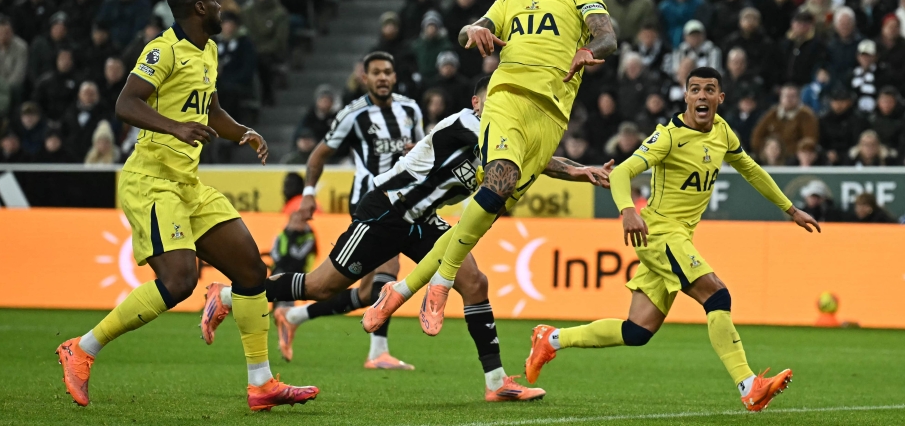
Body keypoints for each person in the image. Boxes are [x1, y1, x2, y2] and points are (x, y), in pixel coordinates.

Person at [204, 78, 608, 399]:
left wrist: (576, 170)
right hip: (385, 210)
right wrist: (558, 160)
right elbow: (513, 153)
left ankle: (497, 381)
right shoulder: (465, 124)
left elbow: (525, 156)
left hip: (422, 219)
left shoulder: (502, 138)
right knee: (319, 285)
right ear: (476, 102)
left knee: (474, 281)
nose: (501, 107)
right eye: (494, 99)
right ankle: (224, 296)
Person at [56, 0, 318, 411]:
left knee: (252, 272)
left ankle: (261, 384)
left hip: (187, 183)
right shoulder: (163, 49)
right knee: (179, 282)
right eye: (215, 1)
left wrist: (242, 133)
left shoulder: (209, 50)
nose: (220, 7)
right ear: (199, 8)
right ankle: (81, 349)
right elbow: (126, 103)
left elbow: (210, 110)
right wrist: (176, 127)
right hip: (151, 181)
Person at [362, 0, 618, 337]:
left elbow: (607, 35)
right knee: (500, 179)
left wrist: (589, 49)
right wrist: (474, 30)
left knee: (483, 215)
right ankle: (441, 284)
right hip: (507, 97)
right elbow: (469, 31)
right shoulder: (508, 0)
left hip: (551, 117)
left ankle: (402, 290)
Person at [523, 66, 820, 412]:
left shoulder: (723, 132)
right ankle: (748, 385)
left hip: (678, 238)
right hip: (660, 233)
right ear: (686, 96)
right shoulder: (669, 136)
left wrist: (790, 209)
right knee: (717, 295)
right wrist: (627, 210)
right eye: (695, 90)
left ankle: (551, 339)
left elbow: (751, 169)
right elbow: (622, 172)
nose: (702, 96)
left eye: (709, 90)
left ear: (720, 99)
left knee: (637, 331)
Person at [285, 51, 423, 369]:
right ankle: (377, 352)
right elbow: (318, 156)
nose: (383, 77)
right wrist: (308, 194)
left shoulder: (410, 109)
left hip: (403, 199)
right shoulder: (353, 114)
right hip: (369, 200)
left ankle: (294, 315)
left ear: (395, 75)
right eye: (376, 73)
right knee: (389, 268)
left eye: (388, 71)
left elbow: (423, 150)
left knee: (364, 293)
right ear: (365, 78)